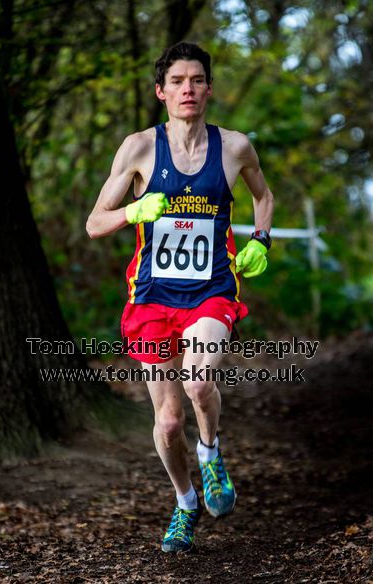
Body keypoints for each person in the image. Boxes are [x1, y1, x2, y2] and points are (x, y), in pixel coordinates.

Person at [86, 41, 274, 553]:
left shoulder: (234, 147)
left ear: (209, 88)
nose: (187, 88)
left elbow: (264, 195)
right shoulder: (139, 148)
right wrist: (134, 211)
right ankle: (186, 502)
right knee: (167, 422)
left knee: (198, 381)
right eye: (177, 81)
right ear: (161, 92)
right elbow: (94, 223)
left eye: (196, 79)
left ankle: (211, 453)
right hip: (151, 297)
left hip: (211, 289)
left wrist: (261, 240)